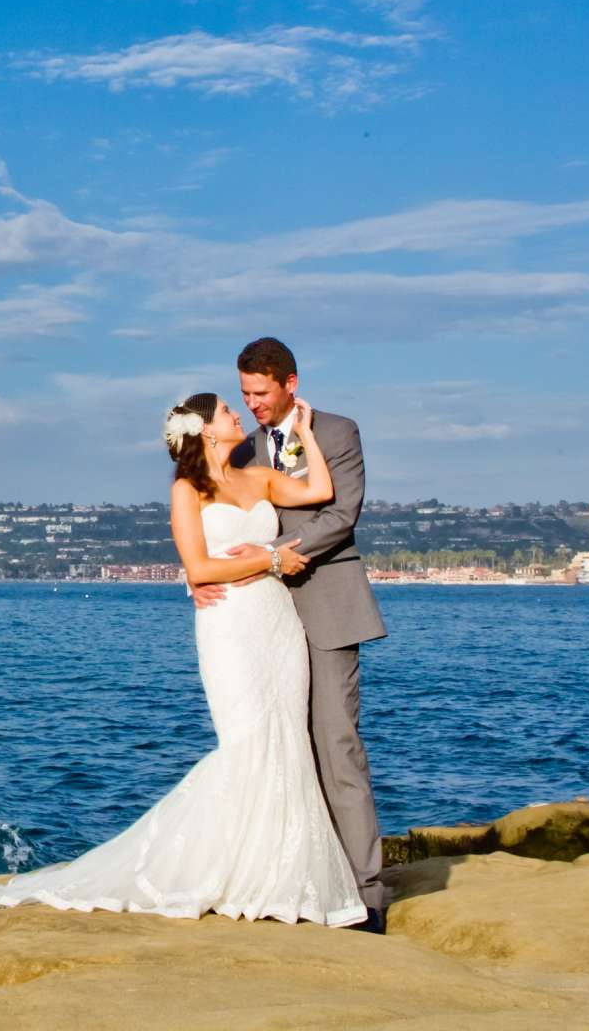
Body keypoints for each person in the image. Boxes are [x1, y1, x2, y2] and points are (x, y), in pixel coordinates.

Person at [0, 390, 366, 928]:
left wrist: (305, 432)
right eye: (229, 411)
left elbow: (323, 490)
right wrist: (274, 557)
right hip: (229, 626)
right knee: (247, 741)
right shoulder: (188, 490)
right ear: (208, 430)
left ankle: (281, 877)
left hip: (278, 623)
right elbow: (200, 569)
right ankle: (215, 868)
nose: (239, 413)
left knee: (288, 741)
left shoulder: (258, 477)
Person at [205, 336, 389, 930]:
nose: (252, 404)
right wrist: (202, 577)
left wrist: (273, 553)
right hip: (263, 619)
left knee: (336, 745)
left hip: (330, 606)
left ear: (290, 383)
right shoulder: (240, 449)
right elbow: (214, 518)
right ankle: (304, 883)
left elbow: (342, 514)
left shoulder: (337, 432)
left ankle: (367, 895)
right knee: (283, 749)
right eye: (244, 394)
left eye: (260, 392)